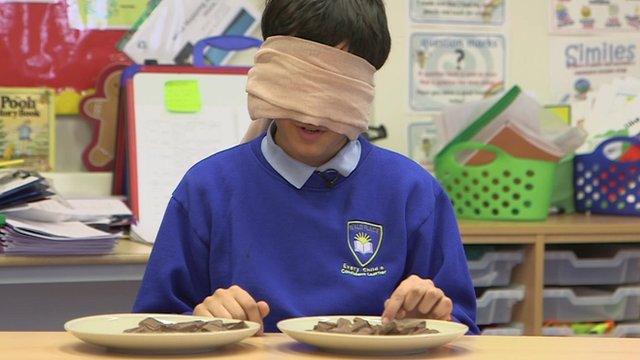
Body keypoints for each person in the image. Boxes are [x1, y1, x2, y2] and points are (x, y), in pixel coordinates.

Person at [133, 0, 479, 335]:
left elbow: (464, 333)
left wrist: (432, 323)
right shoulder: (207, 190)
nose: (311, 112)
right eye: (298, 79)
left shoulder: (413, 193)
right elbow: (153, 327)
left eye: (334, 84)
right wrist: (200, 321)